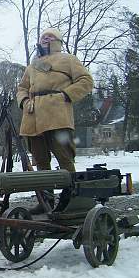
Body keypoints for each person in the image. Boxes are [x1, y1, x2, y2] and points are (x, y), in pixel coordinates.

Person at [17, 28, 94, 213]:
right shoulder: (32, 65)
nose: (46, 38)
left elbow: (86, 81)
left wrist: (65, 96)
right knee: (41, 162)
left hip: (57, 115)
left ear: (58, 41)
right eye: (43, 36)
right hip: (33, 117)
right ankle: (46, 202)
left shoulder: (69, 59)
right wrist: (25, 100)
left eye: (50, 36)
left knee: (65, 158)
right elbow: (22, 88)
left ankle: (72, 199)